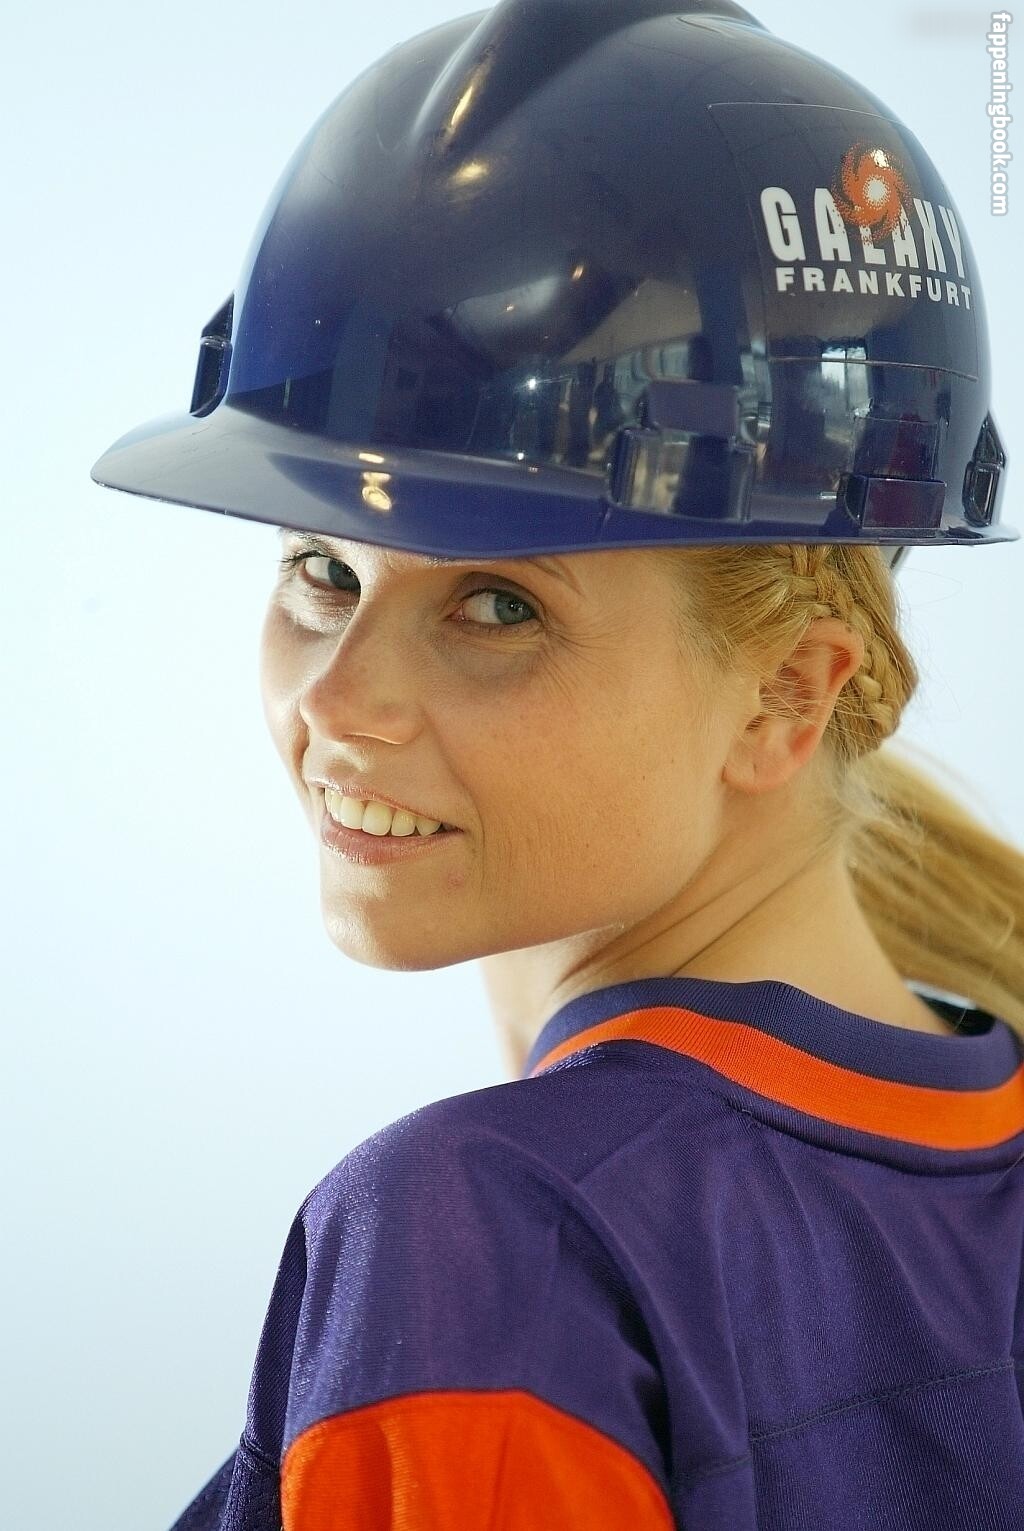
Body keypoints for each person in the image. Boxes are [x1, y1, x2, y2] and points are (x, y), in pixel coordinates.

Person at [90, 1, 1024, 1526]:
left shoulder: (492, 1241)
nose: (341, 704)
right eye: (322, 571)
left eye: (498, 604)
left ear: (786, 696)